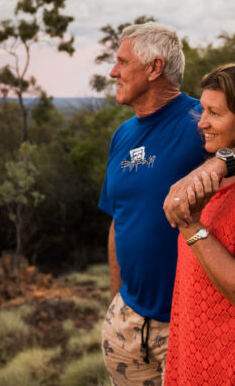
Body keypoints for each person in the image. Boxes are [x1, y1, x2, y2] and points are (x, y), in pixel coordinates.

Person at [99, 22, 207, 386]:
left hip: (186, 324)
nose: (113, 71)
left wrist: (224, 160)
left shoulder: (201, 122)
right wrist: (117, 301)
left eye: (122, 61)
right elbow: (119, 220)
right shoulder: (122, 135)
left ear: (154, 68)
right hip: (126, 324)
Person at [163, 64, 235, 386]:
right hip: (193, 358)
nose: (202, 123)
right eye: (202, 110)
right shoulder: (215, 179)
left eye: (214, 113)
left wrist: (191, 227)